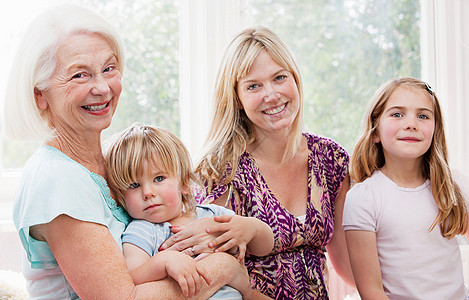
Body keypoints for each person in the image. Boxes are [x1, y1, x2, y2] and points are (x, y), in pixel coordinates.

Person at [4, 4, 251, 299]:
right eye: (80, 75)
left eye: (109, 69)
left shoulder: (112, 164)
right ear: (40, 95)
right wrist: (226, 268)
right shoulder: (57, 180)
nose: (102, 88)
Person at [160, 26, 355, 299]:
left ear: (295, 80)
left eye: (279, 77)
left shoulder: (330, 158)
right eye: (254, 86)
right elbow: (217, 277)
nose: (272, 94)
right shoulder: (219, 171)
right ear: (237, 99)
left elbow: (347, 266)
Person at [105, 123, 274, 299]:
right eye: (134, 185)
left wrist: (251, 228)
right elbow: (132, 277)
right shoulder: (141, 230)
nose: (148, 193)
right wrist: (164, 261)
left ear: (184, 183)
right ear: (121, 195)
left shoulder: (213, 214)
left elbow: (263, 248)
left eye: (159, 178)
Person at [343, 77, 469, 299]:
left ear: (435, 130)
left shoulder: (454, 187)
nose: (411, 124)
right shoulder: (363, 198)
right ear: (375, 132)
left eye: (423, 116)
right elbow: (371, 291)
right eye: (397, 114)